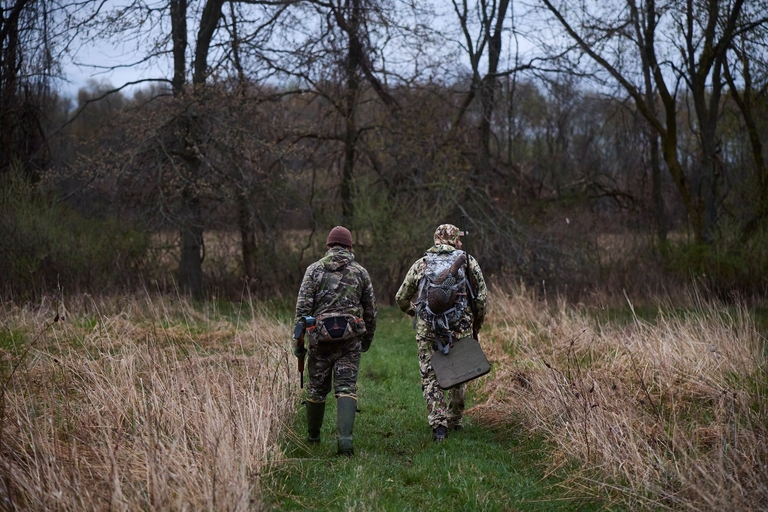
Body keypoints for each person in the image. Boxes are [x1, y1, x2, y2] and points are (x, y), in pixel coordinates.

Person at [395, 223, 487, 442]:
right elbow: (481, 298)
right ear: (454, 240)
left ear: (436, 239)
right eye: (459, 239)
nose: (461, 243)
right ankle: (455, 421)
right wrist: (476, 324)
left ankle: (439, 426)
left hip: (428, 329)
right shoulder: (468, 261)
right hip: (460, 327)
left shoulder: (422, 264)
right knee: (459, 373)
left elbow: (401, 297)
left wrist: (414, 312)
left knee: (430, 376)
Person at [293, 226, 377, 456]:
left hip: (319, 342)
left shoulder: (313, 271)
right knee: (346, 388)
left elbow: (302, 311)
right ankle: (346, 444)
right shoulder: (360, 272)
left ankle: (313, 438)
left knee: (317, 389)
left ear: (329, 246)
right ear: (349, 247)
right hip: (350, 342)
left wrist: (298, 345)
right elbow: (370, 311)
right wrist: (366, 339)